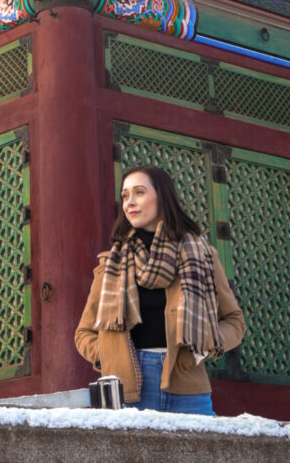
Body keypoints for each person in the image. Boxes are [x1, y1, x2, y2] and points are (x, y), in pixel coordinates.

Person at [75, 165, 246, 414]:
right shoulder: (112, 264)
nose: (129, 202)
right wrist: (112, 356)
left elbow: (235, 322)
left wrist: (205, 348)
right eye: (125, 195)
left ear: (162, 197)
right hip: (128, 388)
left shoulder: (201, 255)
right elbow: (83, 333)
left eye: (139, 192)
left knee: (199, 453)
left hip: (188, 384)